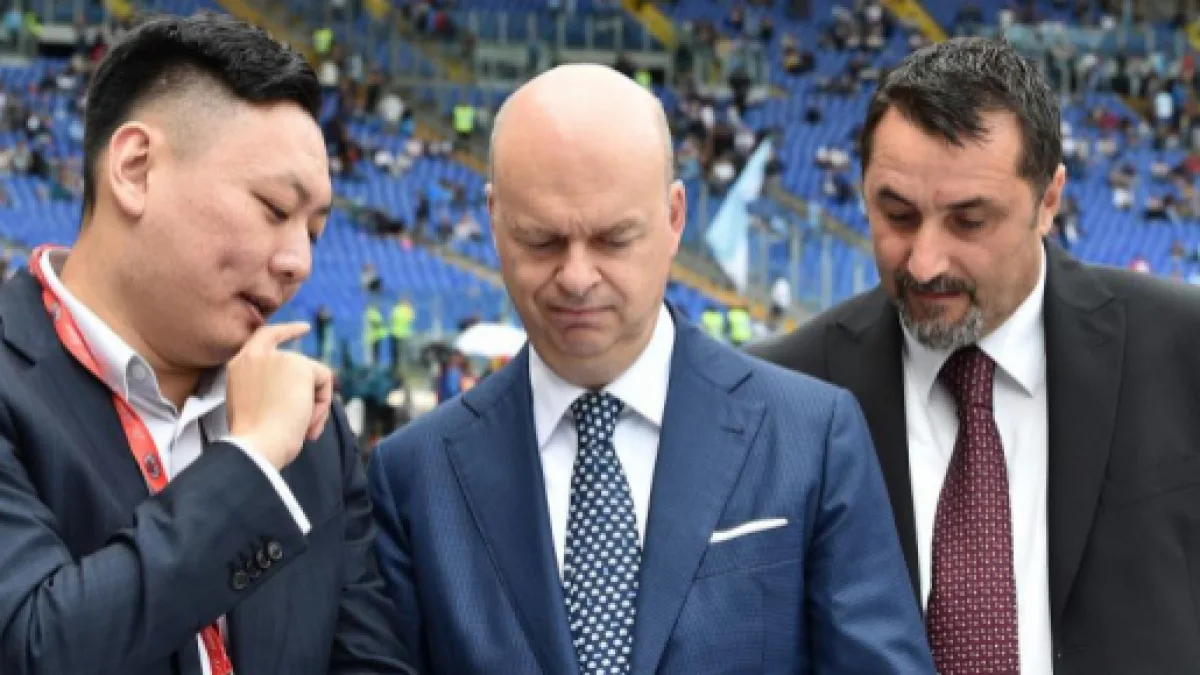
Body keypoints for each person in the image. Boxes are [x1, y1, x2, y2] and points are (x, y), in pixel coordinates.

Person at [368, 64, 934, 674]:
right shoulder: (413, 477)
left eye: (613, 239)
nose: (577, 277)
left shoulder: (811, 437)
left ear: (673, 217)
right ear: (494, 221)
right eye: (541, 240)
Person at [750, 37, 1200, 674]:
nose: (924, 262)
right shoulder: (779, 393)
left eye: (969, 221)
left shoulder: (1182, 350)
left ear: (1048, 201)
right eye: (897, 215)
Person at [0, 14, 414, 675]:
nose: (299, 262)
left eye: (313, 231)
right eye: (274, 209)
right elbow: (34, 648)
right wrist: (249, 462)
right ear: (135, 168)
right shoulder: (275, 436)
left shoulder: (312, 432)